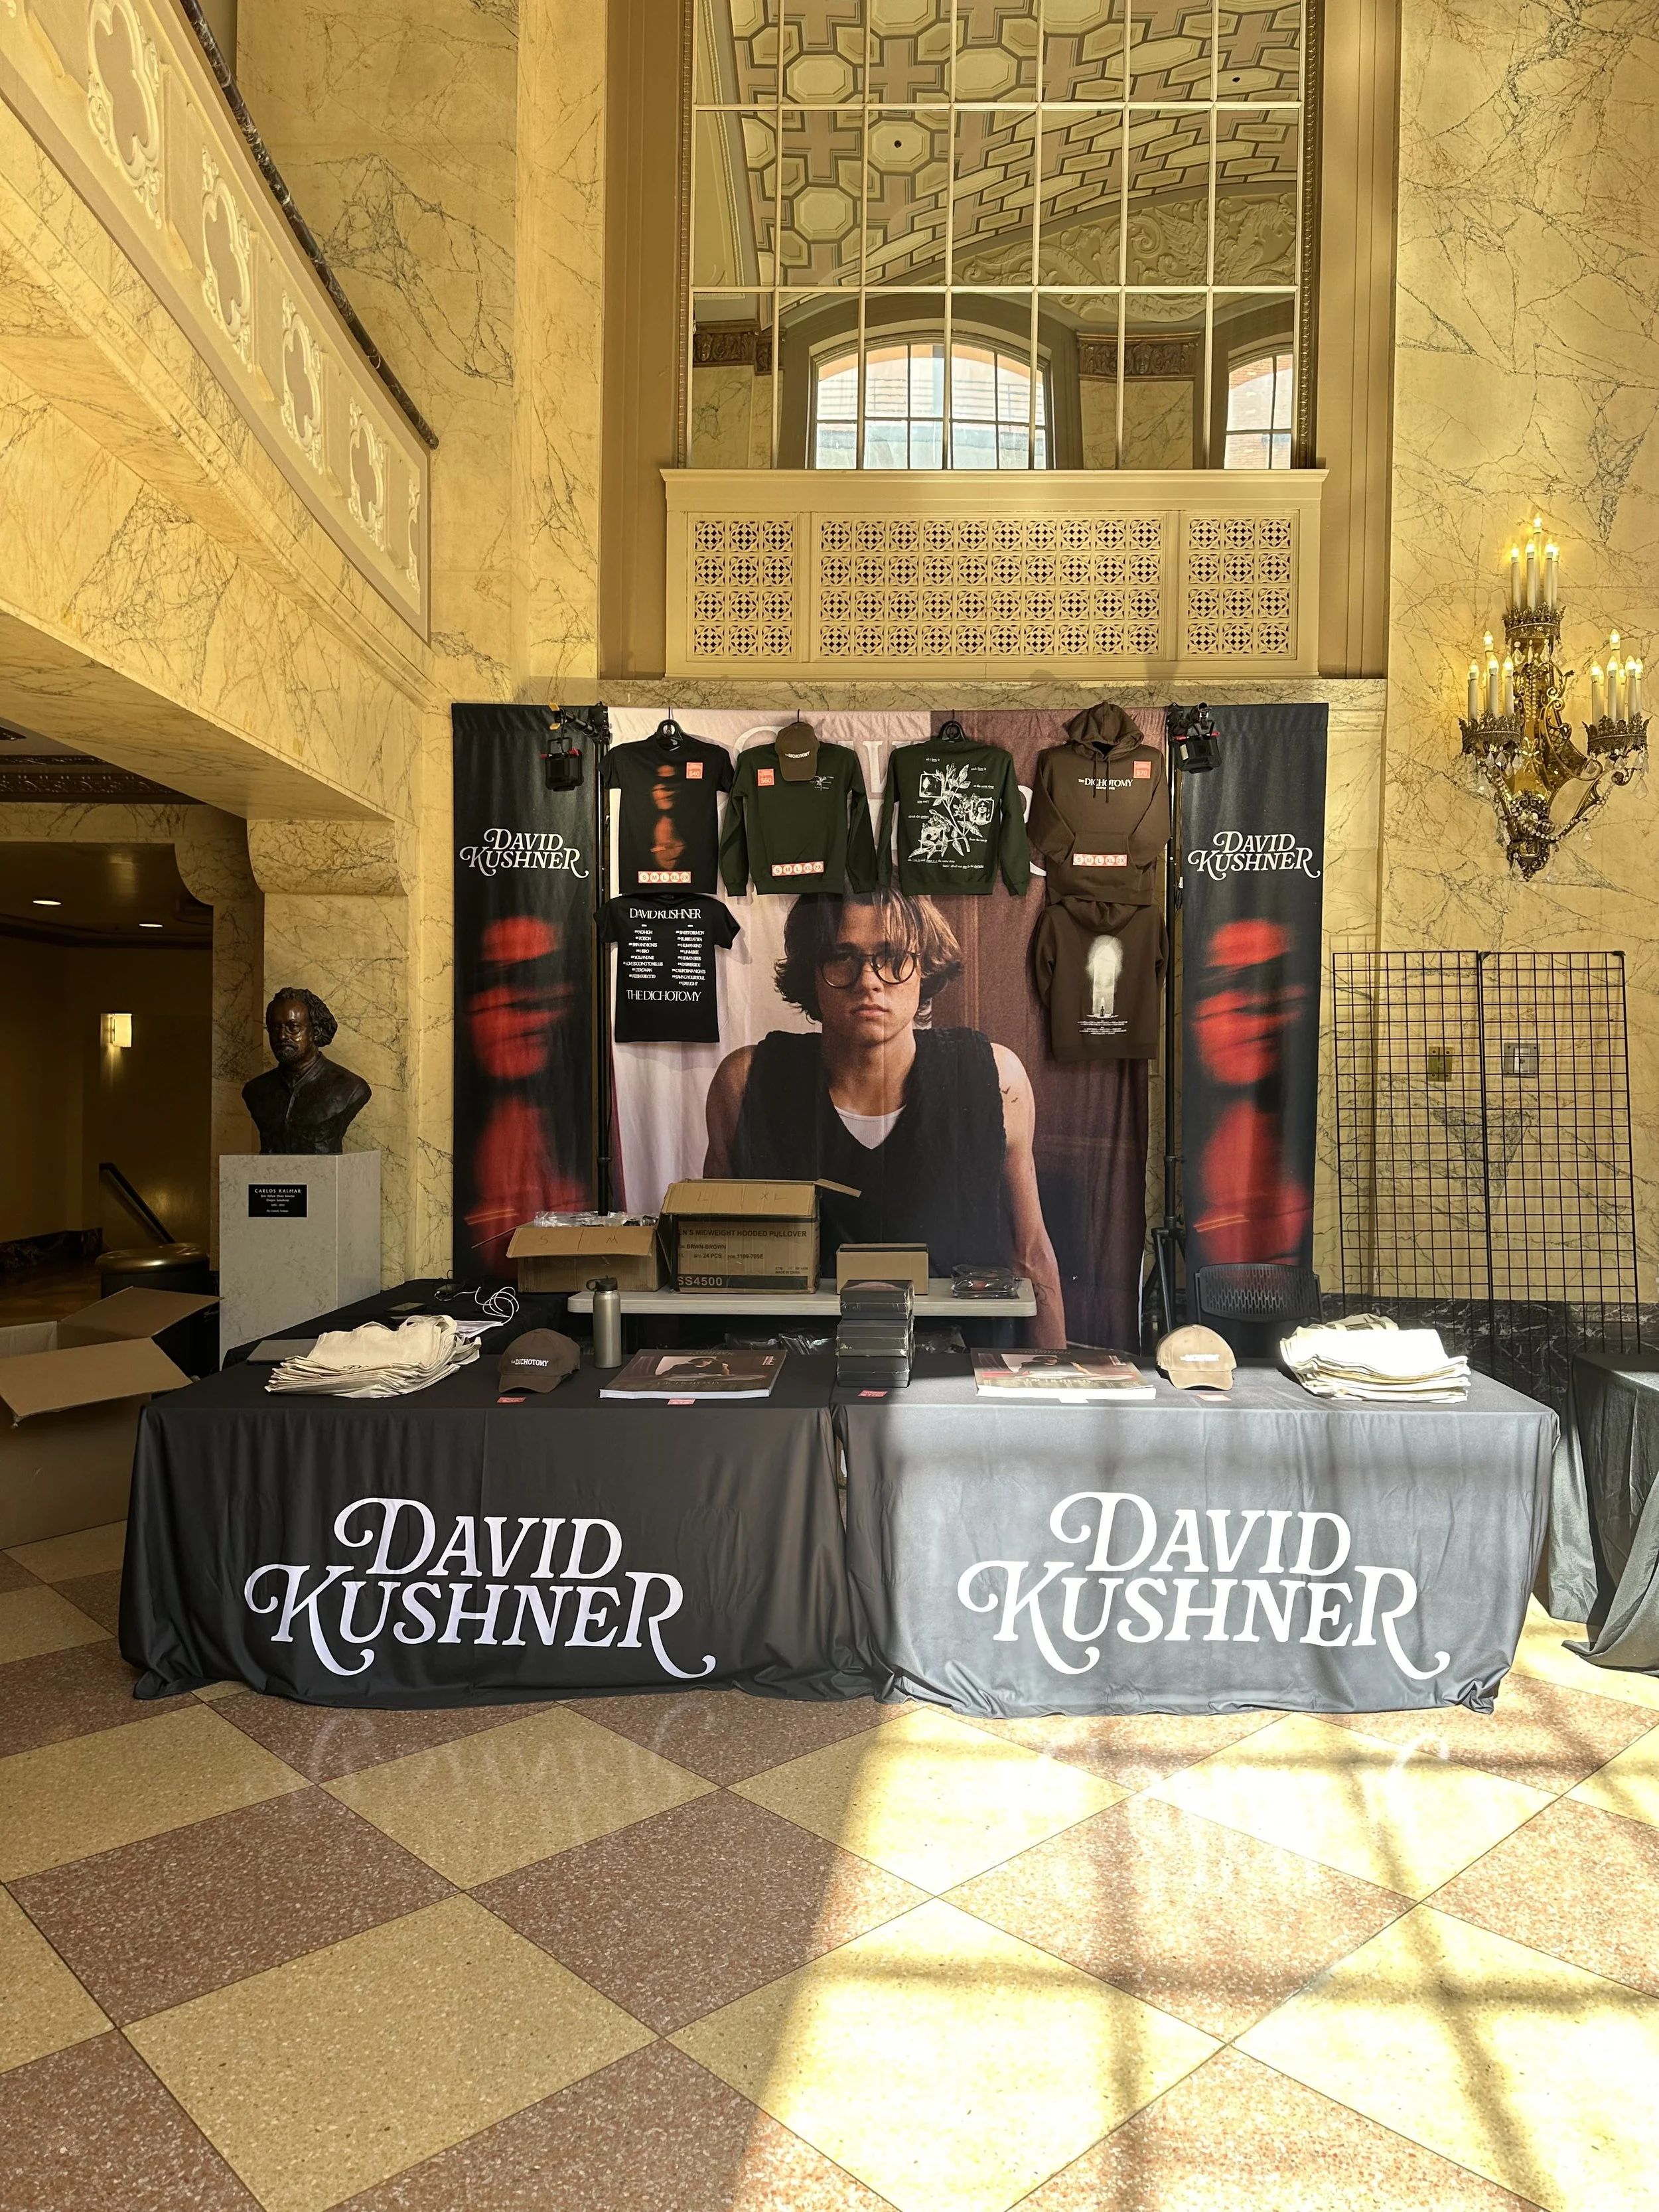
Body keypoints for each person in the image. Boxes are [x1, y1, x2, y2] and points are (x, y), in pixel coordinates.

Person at [703, 891, 1066, 1345]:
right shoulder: (745, 1083)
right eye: (842, 956)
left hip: (954, 1383)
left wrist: (1055, 1396)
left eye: (892, 957)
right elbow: (708, 1262)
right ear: (811, 971)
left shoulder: (994, 1080)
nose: (869, 981)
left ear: (924, 964)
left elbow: (1030, 1255)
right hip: (796, 1383)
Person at [242, 989, 372, 1155]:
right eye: (275, 1028)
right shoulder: (255, 1091)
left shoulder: (350, 1088)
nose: (282, 1036)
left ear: (315, 1032)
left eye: (293, 1027)